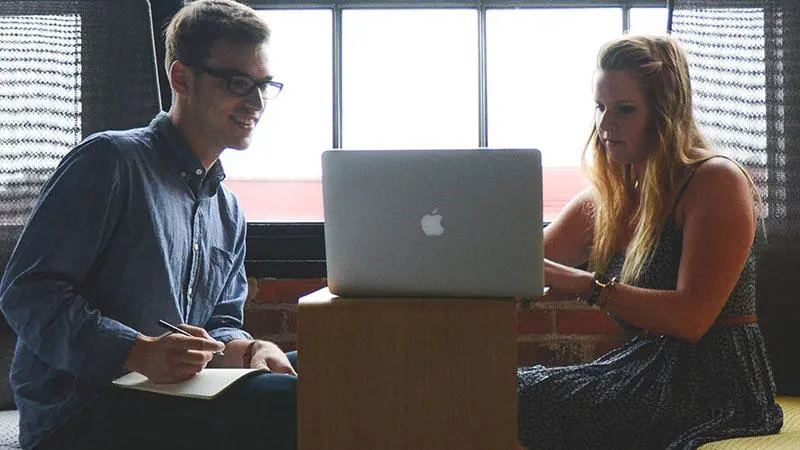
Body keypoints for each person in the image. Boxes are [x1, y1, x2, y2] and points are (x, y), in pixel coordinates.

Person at [0, 1, 298, 449]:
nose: (256, 101)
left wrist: (248, 350)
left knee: (323, 374)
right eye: (239, 82)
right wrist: (134, 350)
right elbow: (27, 292)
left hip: (173, 398)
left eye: (264, 85)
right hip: (82, 411)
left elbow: (220, 323)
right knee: (295, 403)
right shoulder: (109, 162)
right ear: (182, 78)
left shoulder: (228, 210)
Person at [517, 35, 784, 449]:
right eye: (600, 107)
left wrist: (583, 284)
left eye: (624, 110)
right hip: (644, 371)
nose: (605, 126)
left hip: (718, 387)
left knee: (522, 402)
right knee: (501, 391)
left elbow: (690, 319)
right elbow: (518, 263)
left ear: (665, 114)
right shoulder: (608, 199)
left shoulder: (715, 181)